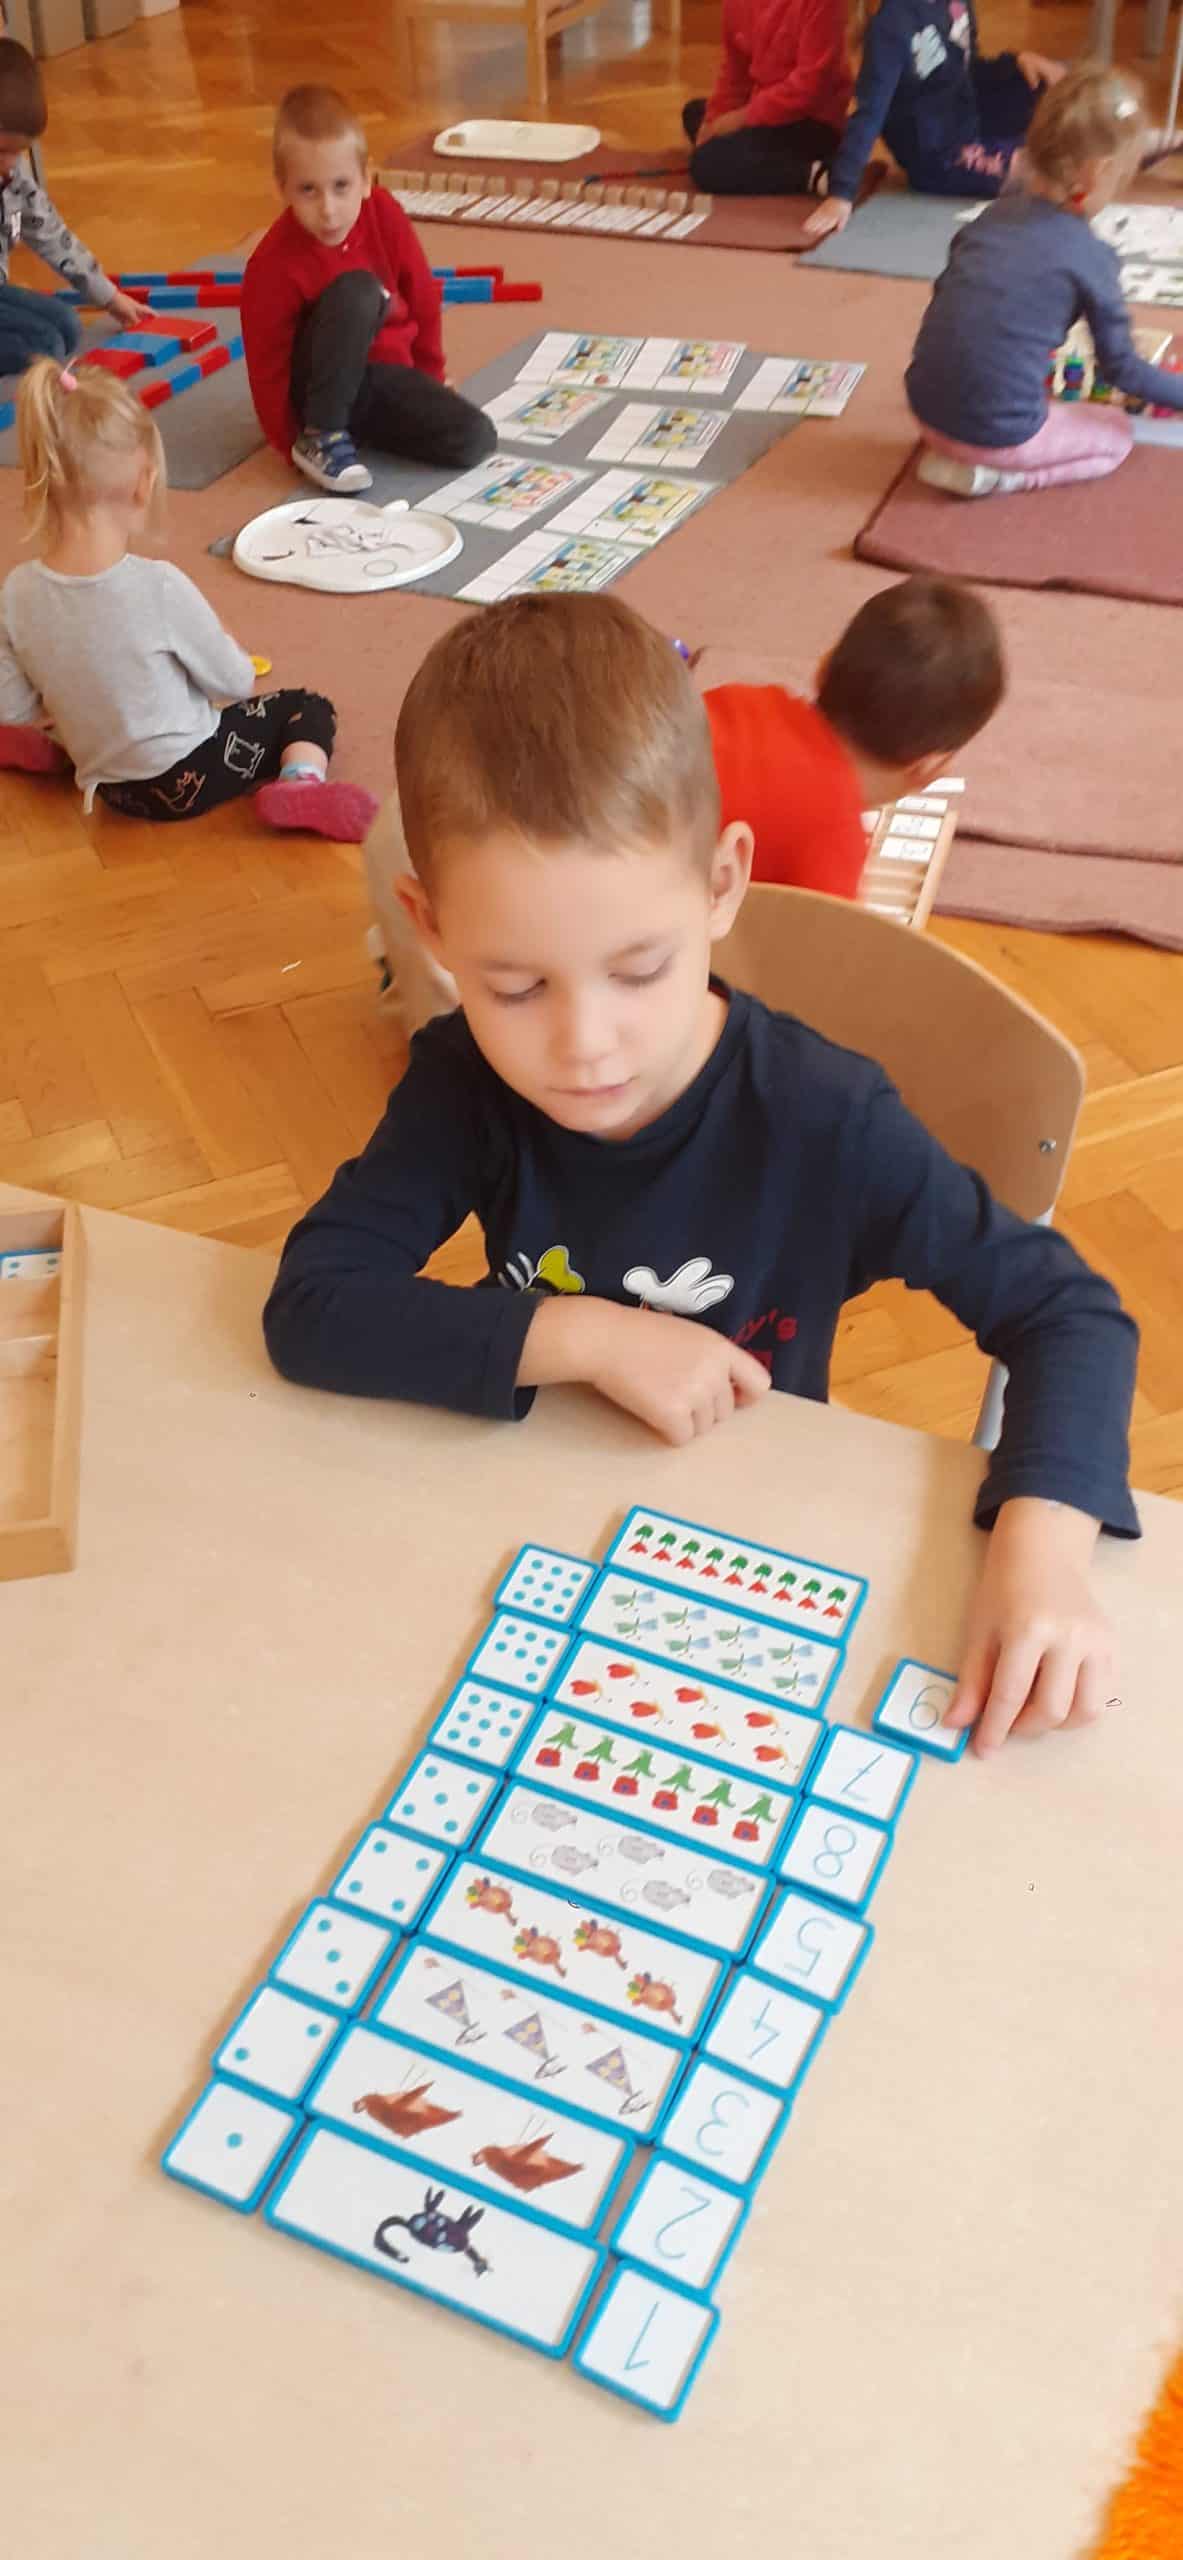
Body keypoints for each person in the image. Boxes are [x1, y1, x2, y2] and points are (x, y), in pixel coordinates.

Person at [264, 593, 1139, 1757]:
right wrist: (585, 1336)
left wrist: (1042, 1554)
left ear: (722, 883)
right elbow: (313, 1303)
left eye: (639, 970)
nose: (584, 1045)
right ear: (429, 929)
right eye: (514, 986)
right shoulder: (463, 1080)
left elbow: (1068, 1314)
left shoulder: (825, 1117)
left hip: (743, 1541)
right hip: (515, 1518)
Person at [359, 577, 1004, 1031]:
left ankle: (416, 967)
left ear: (823, 665)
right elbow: (818, 972)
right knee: (472, 1047)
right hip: (495, 870)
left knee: (480, 976)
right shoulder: (833, 830)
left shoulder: (748, 700)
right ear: (931, 767)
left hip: (433, 810)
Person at [0, 358, 377, 838]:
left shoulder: (16, 592)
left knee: (79, 710)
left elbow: (12, 706)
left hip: (109, 787)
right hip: (187, 776)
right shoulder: (158, 585)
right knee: (306, 706)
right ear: (144, 483)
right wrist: (227, 649)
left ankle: (54, 748)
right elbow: (236, 681)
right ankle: (300, 783)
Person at [906, 65, 1183, 498]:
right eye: (1122, 178)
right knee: (1115, 434)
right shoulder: (1090, 255)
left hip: (924, 413)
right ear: (1097, 173)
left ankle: (969, 451)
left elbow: (954, 300)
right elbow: (1123, 369)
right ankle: (1000, 477)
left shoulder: (991, 215)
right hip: (999, 436)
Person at [241, 84, 496, 493]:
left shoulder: (384, 213)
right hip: (316, 392)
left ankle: (352, 433)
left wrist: (430, 377)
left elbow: (423, 297)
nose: (328, 209)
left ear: (365, 179)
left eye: (341, 186)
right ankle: (322, 437)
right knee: (360, 291)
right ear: (281, 188)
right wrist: (288, 442)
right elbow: (266, 365)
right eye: (308, 190)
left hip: (379, 383)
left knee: (475, 437)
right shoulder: (272, 263)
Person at [0, 37, 142, 373]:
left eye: (18, 152)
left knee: (67, 326)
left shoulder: (15, 178)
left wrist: (109, 296)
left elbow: (52, 235)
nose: (10, 163)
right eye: (2, 151)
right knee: (45, 344)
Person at [682, 0, 851, 199]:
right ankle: (759, 160)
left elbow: (810, 88)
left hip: (814, 120)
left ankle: (814, 173)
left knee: (707, 165)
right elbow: (735, 74)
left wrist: (740, 119)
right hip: (764, 112)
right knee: (694, 112)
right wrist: (713, 119)